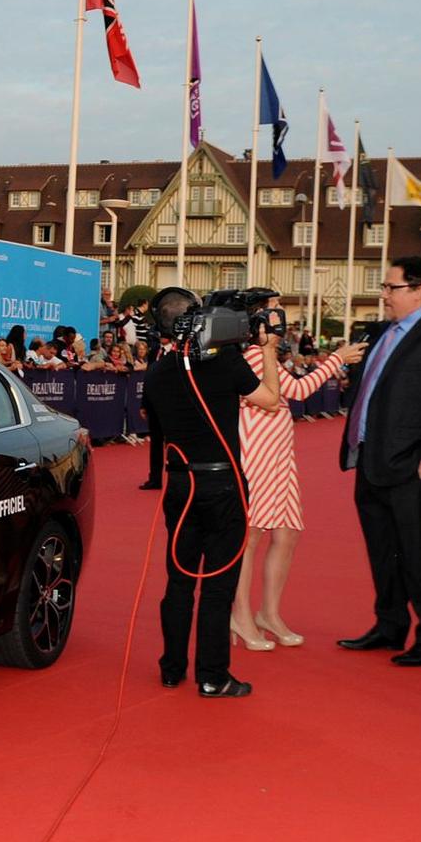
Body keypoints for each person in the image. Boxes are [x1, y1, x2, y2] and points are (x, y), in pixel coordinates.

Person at [143, 287, 286, 697]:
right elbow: (272, 400)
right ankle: (213, 675)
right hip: (223, 485)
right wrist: (270, 350)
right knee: (219, 583)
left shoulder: (156, 374)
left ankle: (171, 668)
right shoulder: (227, 365)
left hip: (181, 485)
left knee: (179, 580)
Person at [337, 255, 421, 666]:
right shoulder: (381, 332)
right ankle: (389, 624)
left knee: (416, 552)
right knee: (382, 550)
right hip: (369, 457)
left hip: (410, 465)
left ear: (419, 290)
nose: (383, 295)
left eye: (390, 288)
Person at [231, 290, 368, 650]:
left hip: (280, 454)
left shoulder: (267, 354)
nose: (280, 318)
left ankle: (269, 614)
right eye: (273, 312)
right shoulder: (252, 357)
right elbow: (298, 390)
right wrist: (336, 358)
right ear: (254, 321)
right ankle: (241, 616)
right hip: (256, 452)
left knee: (288, 531)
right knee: (252, 536)